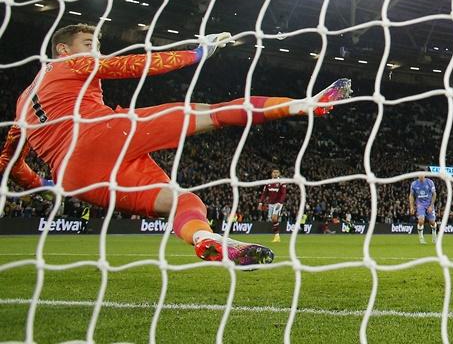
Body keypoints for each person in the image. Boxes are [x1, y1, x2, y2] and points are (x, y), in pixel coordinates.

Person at [0, 23, 350, 266]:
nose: (97, 53)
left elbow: (10, 163)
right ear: (63, 49)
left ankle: (204, 240)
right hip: (103, 133)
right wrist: (198, 53)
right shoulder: (69, 65)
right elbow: (134, 65)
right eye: (90, 45)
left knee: (181, 201)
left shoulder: (21, 105)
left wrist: (43, 187)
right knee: (212, 113)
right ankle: (306, 104)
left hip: (75, 179)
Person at [258, 168, 288, 243]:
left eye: (277, 172)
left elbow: (283, 194)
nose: (275, 173)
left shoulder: (281, 182)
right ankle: (276, 236)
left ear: (279, 174)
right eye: (274, 172)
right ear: (272, 173)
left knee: (274, 218)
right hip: (270, 203)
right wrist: (260, 203)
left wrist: (280, 203)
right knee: (272, 219)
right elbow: (264, 194)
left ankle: (277, 236)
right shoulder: (268, 182)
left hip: (278, 203)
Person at [409, 173, 438, 244]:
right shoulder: (414, 184)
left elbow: (434, 194)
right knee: (421, 221)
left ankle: (434, 236)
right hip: (420, 205)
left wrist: (431, 206)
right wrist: (412, 206)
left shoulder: (430, 182)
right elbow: (411, 195)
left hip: (429, 204)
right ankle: (421, 238)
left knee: (432, 222)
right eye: (420, 175)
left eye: (422, 175)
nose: (421, 176)